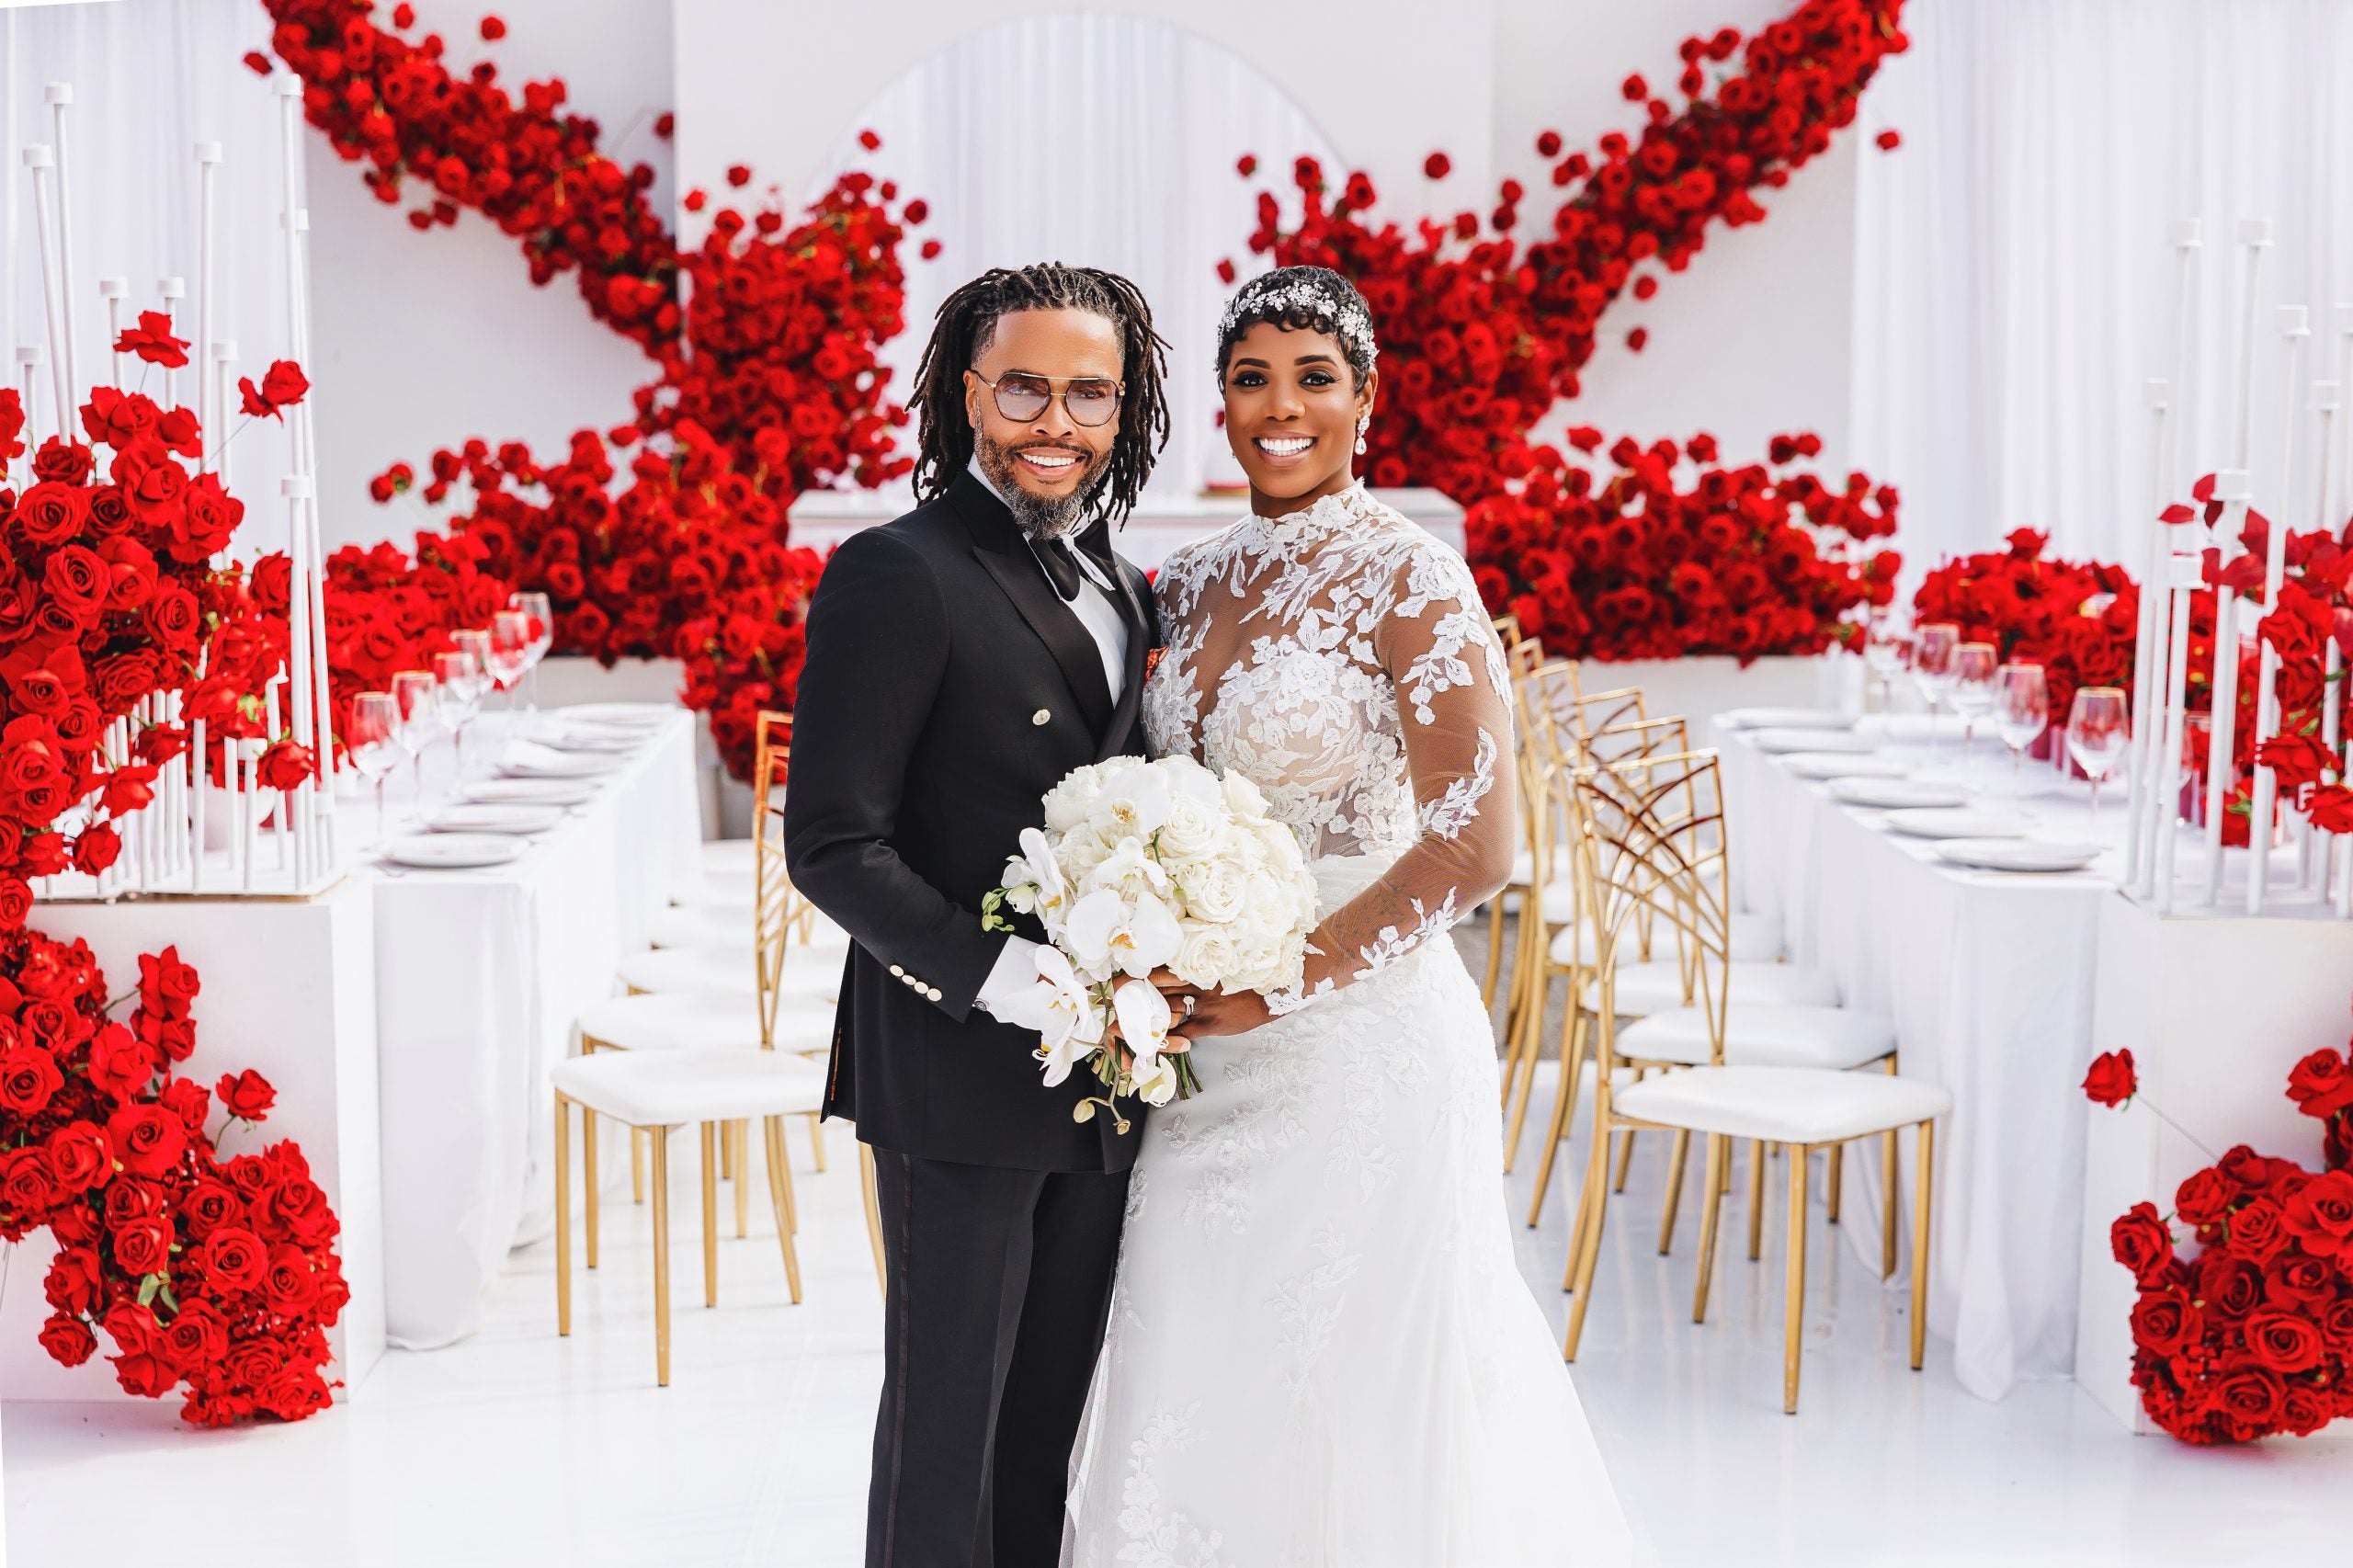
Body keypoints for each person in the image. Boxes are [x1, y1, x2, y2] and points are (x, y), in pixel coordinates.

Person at [1062, 267, 1631, 1564]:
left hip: (1358, 1042)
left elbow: (1478, 841)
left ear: (1367, 399)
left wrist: (1281, 980)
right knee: (1192, 1362)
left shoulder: (1411, 578)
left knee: (1357, 1394)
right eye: (1252, 379)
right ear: (1219, 403)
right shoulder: (1182, 583)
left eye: (1315, 378)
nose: (1283, 407)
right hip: (1199, 1045)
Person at [782, 263, 1169, 1568]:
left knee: (1041, 1427)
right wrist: (1011, 981)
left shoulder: (1123, 581)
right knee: (945, 1436)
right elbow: (833, 846)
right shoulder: (897, 572)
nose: (1056, 422)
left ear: (1123, 410)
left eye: (1089, 394)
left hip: (1104, 1075)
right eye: (1024, 389)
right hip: (956, 1067)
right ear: (968, 395)